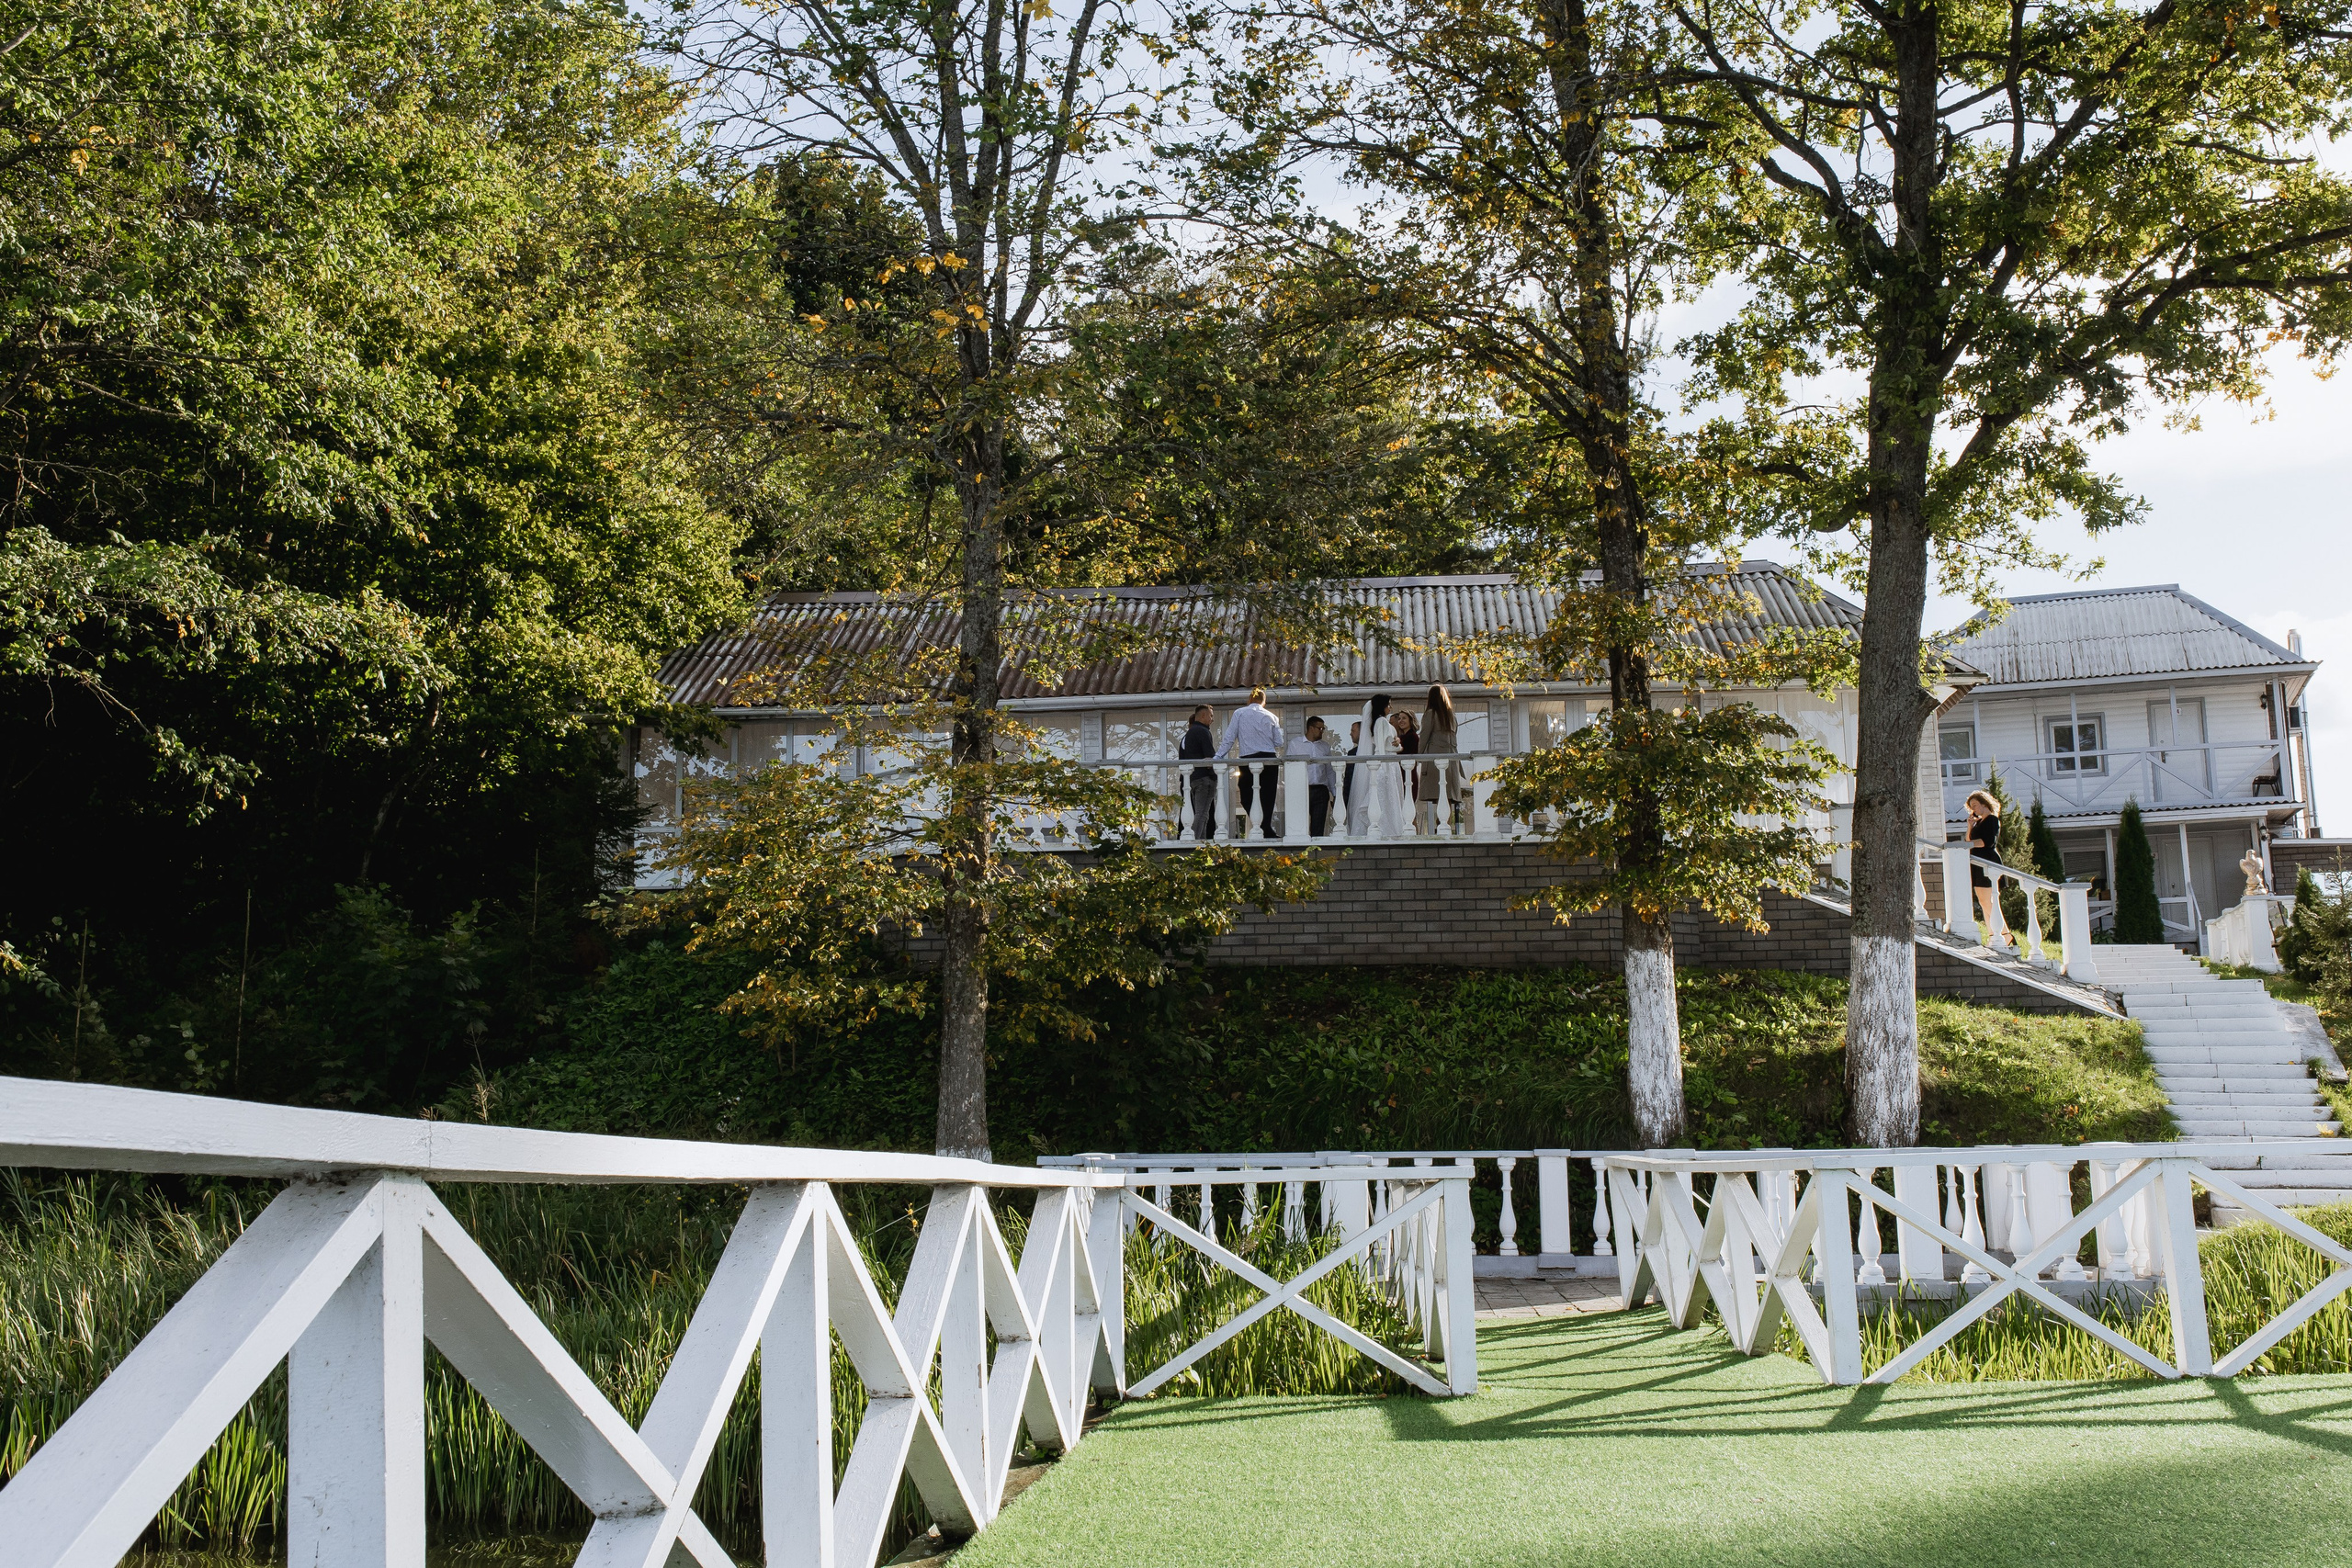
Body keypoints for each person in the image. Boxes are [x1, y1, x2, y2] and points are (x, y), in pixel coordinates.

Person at [1217, 686, 1286, 837]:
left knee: (1246, 795)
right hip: (1269, 759)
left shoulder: (1240, 713)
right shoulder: (1272, 717)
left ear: (1249, 699)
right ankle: (1265, 827)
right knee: (1268, 796)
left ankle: (1262, 826)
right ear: (1264, 702)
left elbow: (1229, 738)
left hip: (1248, 759)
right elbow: (1279, 742)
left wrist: (1218, 757)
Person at [1964, 789, 2011, 948]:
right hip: (1978, 863)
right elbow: (1969, 840)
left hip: (1988, 861)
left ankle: (2005, 934)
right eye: (1971, 807)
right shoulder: (1978, 822)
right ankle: (1993, 934)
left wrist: (1968, 845)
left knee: (1988, 901)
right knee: (1983, 901)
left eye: (1975, 805)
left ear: (1984, 804)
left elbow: (1986, 842)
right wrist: (1970, 826)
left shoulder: (1992, 820)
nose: (1973, 809)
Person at [1419, 684, 1464, 835]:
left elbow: (1424, 736)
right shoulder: (1451, 715)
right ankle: (1445, 825)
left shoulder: (1430, 714)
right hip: (1452, 759)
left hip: (1436, 758)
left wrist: (1418, 756)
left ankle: (1440, 826)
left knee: (1438, 792)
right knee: (1447, 795)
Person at [1349, 694, 1392, 834]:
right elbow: (1381, 747)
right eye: (1388, 704)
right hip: (1384, 764)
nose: (1390, 707)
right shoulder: (1381, 721)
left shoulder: (1378, 722)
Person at [1180, 705, 1217, 840]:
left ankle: (1201, 843)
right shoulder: (1203, 731)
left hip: (1193, 778)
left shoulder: (1189, 734)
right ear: (1203, 715)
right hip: (1204, 778)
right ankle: (1194, 841)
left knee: (1201, 814)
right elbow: (1210, 757)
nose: (1212, 719)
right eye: (1211, 716)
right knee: (1202, 814)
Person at [1299, 716, 1336, 836]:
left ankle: (1315, 848)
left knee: (1318, 827)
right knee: (1300, 826)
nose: (1322, 731)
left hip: (1321, 790)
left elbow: (1329, 771)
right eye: (1320, 728)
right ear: (1311, 728)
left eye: (1323, 729)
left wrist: (1335, 793)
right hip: (1302, 789)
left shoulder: (1325, 746)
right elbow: (1290, 769)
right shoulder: (1295, 744)